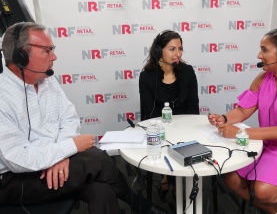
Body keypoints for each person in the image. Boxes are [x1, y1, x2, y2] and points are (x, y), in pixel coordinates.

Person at [0, 22, 167, 214]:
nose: (54, 56)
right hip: (15, 180)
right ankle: (137, 203)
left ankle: (137, 204)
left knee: (102, 190)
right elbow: (18, 158)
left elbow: (69, 118)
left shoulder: (47, 81)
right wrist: (70, 147)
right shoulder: (2, 96)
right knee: (96, 158)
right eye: (47, 50)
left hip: (50, 164)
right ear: (20, 56)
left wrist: (61, 154)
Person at [208, 27, 277, 214]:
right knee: (231, 177)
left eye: (264, 49)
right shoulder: (264, 78)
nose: (259, 55)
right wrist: (225, 118)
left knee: (260, 191)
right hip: (271, 145)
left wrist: (240, 132)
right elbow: (244, 110)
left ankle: (276, 205)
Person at [139, 30, 199, 199]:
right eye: (172, 49)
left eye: (180, 49)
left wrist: (187, 129)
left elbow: (193, 108)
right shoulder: (147, 77)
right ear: (158, 51)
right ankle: (170, 178)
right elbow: (148, 113)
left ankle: (172, 179)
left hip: (186, 129)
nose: (177, 54)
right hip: (161, 131)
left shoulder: (187, 71)